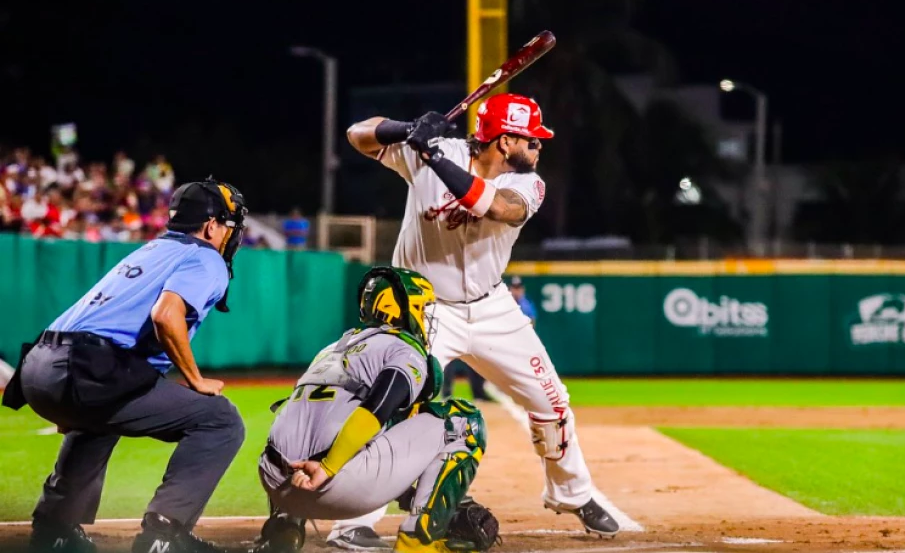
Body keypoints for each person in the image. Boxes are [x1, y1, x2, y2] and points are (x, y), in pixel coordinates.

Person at [333, 93, 619, 549]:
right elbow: (357, 135)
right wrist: (404, 129)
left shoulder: (529, 185)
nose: (540, 147)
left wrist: (427, 153)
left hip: (491, 309)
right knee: (391, 408)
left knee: (553, 403)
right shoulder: (433, 149)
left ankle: (572, 493)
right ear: (505, 141)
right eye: (532, 139)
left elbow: (497, 208)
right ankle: (351, 523)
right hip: (423, 312)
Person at [2, 178, 249, 553]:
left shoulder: (151, 250)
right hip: (84, 368)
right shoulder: (205, 256)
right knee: (221, 420)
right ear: (212, 225)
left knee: (99, 420)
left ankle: (55, 529)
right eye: (229, 226)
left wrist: (65, 392)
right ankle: (163, 536)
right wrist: (195, 379)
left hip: (39, 364)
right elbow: (166, 316)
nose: (231, 236)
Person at [248, 267, 497, 553]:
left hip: (276, 480)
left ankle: (284, 531)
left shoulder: (332, 348)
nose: (426, 315)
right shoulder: (404, 348)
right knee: (464, 420)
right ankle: (419, 542)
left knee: (314, 421)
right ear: (400, 307)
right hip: (330, 485)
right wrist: (328, 467)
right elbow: (377, 410)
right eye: (422, 306)